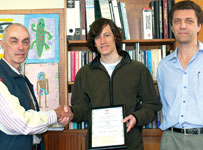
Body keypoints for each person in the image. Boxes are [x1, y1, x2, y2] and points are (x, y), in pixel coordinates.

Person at [69, 18, 162, 150]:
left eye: (107, 35)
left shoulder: (138, 70)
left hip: (131, 144)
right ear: (93, 43)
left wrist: (136, 117)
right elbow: (82, 109)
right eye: (97, 37)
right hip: (97, 145)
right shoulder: (84, 74)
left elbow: (152, 105)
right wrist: (71, 113)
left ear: (115, 38)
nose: (103, 41)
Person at [0, 23, 73, 150]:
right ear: (2, 45)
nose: (21, 47)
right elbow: (22, 123)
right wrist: (56, 114)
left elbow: (32, 117)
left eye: (25, 42)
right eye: (14, 41)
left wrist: (61, 116)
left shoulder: (22, 78)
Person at [157, 1, 203, 150]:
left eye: (189, 21)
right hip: (170, 140)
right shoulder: (164, 66)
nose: (182, 26)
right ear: (171, 27)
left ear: (199, 26)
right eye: (177, 21)